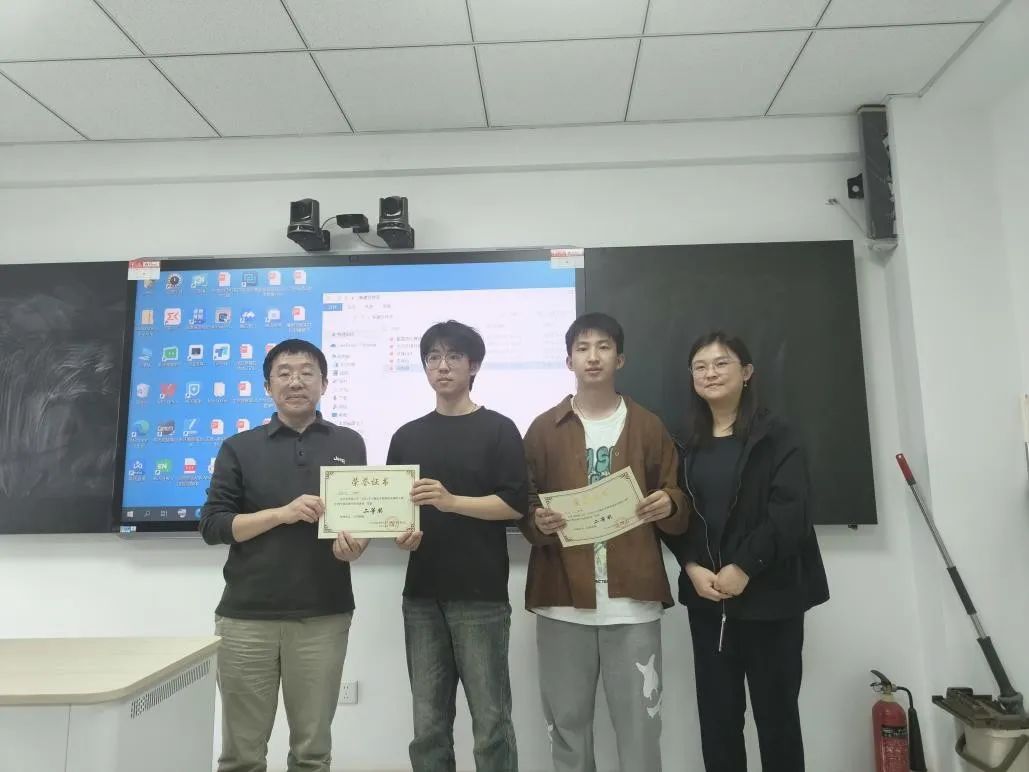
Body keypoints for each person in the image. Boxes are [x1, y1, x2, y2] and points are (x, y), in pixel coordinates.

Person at [519, 312, 688, 772]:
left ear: (621, 358)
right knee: (566, 726)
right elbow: (524, 505)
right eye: (582, 348)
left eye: (603, 347)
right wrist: (537, 520)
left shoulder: (648, 426)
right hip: (561, 599)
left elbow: (678, 498)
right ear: (568, 360)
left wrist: (668, 504)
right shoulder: (543, 428)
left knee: (640, 726)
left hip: (632, 601)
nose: (592, 357)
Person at [663, 331, 829, 772]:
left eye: (722, 363)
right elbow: (675, 511)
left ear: (747, 372)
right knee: (718, 723)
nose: (710, 373)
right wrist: (691, 564)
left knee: (777, 721)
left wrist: (744, 566)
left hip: (771, 599)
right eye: (700, 366)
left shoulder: (778, 435)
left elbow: (791, 512)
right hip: (708, 601)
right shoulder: (682, 441)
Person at [199, 338, 368, 772]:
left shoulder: (350, 443)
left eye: (307, 372)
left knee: (312, 754)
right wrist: (282, 514)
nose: (296, 381)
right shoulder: (239, 447)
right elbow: (213, 525)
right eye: (285, 373)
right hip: (246, 618)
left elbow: (360, 519)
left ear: (324, 384)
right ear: (268, 386)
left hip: (323, 615)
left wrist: (356, 545)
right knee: (241, 755)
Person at [385, 320, 527, 772]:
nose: (442, 366)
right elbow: (395, 513)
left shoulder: (499, 429)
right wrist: (400, 536)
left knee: (491, 724)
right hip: (421, 596)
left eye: (453, 357)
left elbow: (515, 504)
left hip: (480, 594)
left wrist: (451, 502)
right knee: (428, 727)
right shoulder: (406, 435)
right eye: (433, 357)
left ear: (474, 366)